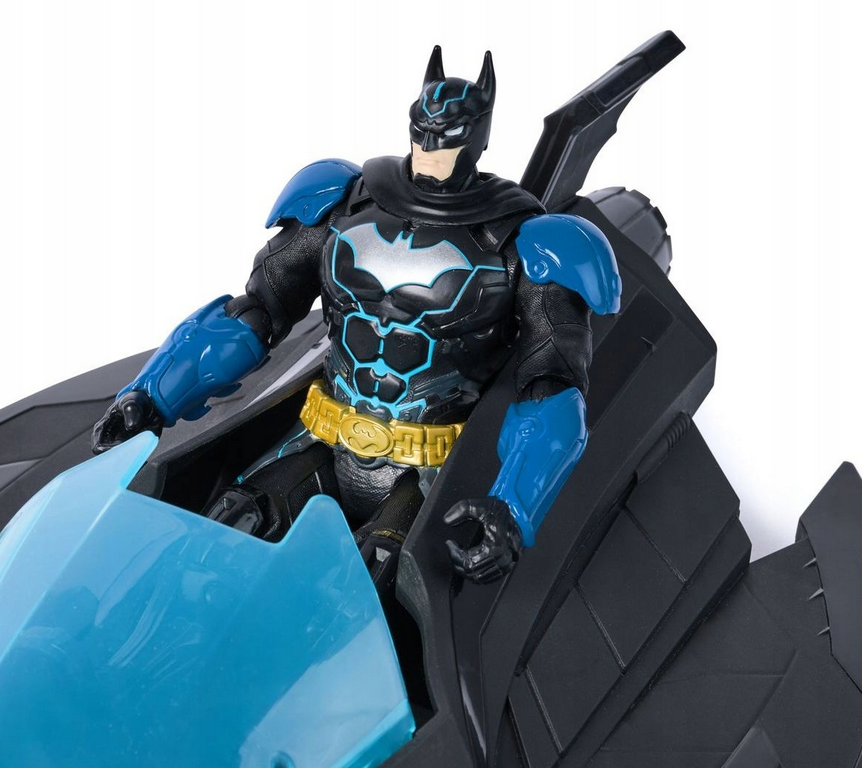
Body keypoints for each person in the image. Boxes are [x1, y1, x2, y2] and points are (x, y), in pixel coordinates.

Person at [92, 46, 621, 586]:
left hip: (428, 470)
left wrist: (512, 507)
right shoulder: (345, 203)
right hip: (323, 436)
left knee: (364, 587)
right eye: (423, 133)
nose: (430, 149)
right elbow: (255, 313)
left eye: (447, 138)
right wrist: (152, 395)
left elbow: (551, 389)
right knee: (221, 533)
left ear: (477, 138)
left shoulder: (526, 245)